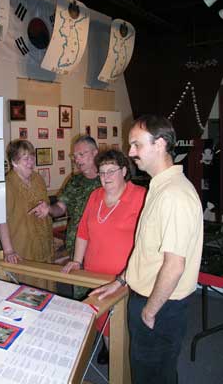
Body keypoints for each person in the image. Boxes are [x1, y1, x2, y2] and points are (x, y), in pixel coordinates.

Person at [91, 115, 203, 383]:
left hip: (160, 306)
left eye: (136, 145)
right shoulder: (159, 187)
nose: (130, 153)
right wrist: (120, 281)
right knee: (152, 374)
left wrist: (150, 311)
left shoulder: (174, 195)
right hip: (149, 299)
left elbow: (174, 265)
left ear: (160, 144)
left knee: (152, 377)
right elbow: (146, 251)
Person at [62, 149, 146, 364]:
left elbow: (148, 240)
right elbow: (83, 231)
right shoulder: (95, 195)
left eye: (111, 171)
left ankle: (124, 365)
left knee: (125, 325)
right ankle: (114, 357)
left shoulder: (140, 196)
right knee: (105, 325)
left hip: (124, 278)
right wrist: (77, 260)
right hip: (94, 274)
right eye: (101, 172)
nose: (106, 177)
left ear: (124, 171)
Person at [29, 135, 101, 259]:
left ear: (95, 153)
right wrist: (49, 209)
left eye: (81, 154)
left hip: (100, 245)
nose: (77, 160)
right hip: (76, 245)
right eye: (75, 156)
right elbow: (60, 207)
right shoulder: (74, 181)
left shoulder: (107, 180)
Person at [0, 139, 55, 291]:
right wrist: (8, 250)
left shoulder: (38, 179)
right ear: (14, 162)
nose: (31, 161)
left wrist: (46, 208)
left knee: (48, 286)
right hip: (23, 247)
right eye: (26, 158)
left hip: (43, 243)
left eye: (32, 156)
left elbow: (46, 205)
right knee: (29, 291)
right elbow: (2, 219)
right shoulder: (8, 184)